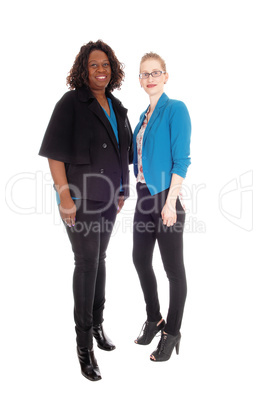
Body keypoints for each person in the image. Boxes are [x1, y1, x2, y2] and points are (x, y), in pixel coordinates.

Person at [39, 40, 133, 381]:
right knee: (86, 263)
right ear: (84, 68)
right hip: (80, 199)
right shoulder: (72, 103)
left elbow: (123, 152)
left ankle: (97, 326)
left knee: (100, 260)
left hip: (109, 199)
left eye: (106, 64)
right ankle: (84, 348)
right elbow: (54, 153)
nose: (101, 70)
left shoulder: (117, 106)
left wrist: (123, 189)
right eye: (94, 65)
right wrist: (65, 197)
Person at [132, 52, 191, 362]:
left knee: (173, 270)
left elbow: (182, 160)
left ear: (165, 76)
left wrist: (170, 202)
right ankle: (155, 319)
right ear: (140, 80)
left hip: (166, 197)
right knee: (139, 259)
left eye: (156, 72)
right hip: (143, 198)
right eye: (145, 74)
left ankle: (173, 331)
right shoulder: (142, 117)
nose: (150, 77)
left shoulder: (175, 110)